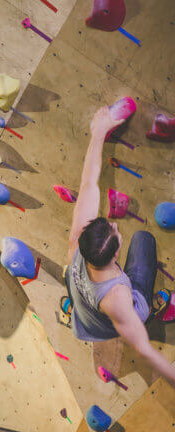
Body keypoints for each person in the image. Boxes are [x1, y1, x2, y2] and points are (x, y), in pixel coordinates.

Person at [66, 105, 175, 386]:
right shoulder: (118, 299)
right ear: (115, 255)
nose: (115, 225)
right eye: (114, 230)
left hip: (88, 316)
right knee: (143, 240)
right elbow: (144, 349)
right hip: (116, 315)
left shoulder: (78, 243)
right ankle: (156, 306)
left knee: (137, 239)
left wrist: (98, 132)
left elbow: (89, 182)